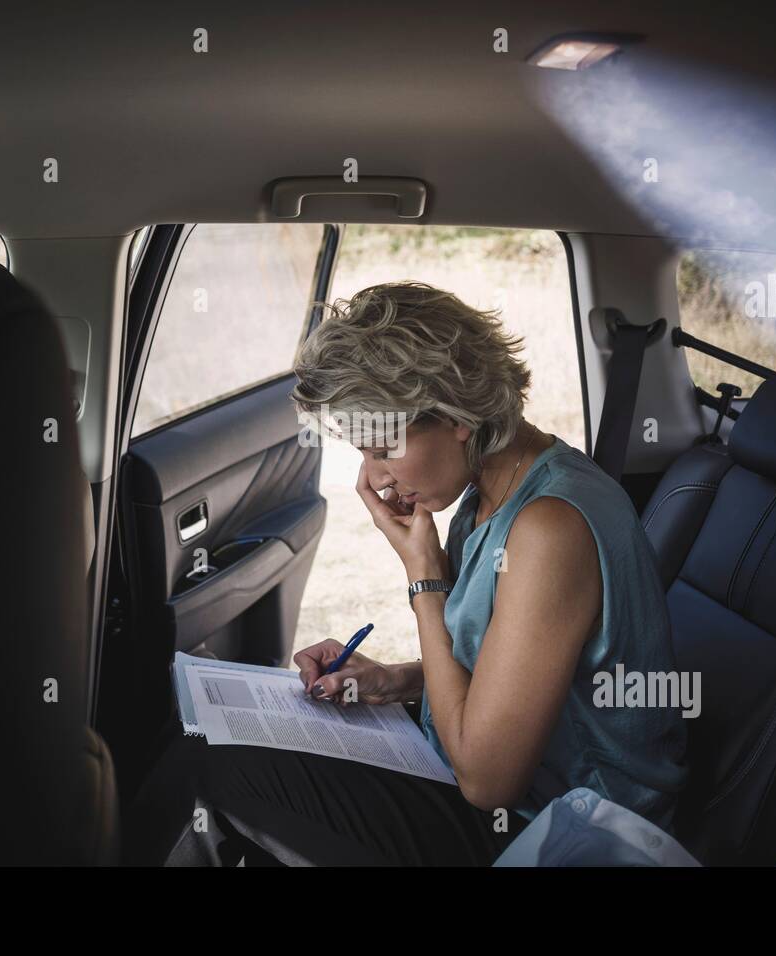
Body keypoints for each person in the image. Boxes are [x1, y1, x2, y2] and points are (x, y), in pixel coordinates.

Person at [125, 281, 687, 866]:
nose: (375, 479)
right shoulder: (490, 493)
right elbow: (514, 676)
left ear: (455, 415)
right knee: (198, 737)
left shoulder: (549, 530)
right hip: (520, 799)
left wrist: (426, 579)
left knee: (212, 774)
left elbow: (488, 779)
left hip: (568, 833)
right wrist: (392, 682)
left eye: (383, 448)